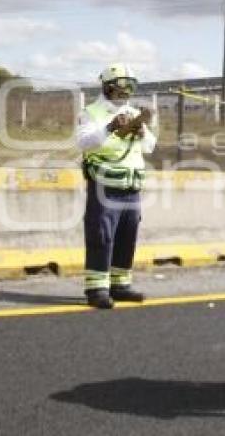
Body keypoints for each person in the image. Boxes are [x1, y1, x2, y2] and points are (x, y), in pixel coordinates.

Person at [76, 63, 156, 310]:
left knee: (127, 235)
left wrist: (143, 132)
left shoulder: (132, 112)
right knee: (102, 234)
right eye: (122, 86)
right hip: (104, 185)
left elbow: (150, 147)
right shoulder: (91, 112)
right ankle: (96, 288)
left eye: (131, 87)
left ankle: (120, 285)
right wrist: (110, 127)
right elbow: (83, 142)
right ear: (107, 87)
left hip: (131, 186)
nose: (126, 92)